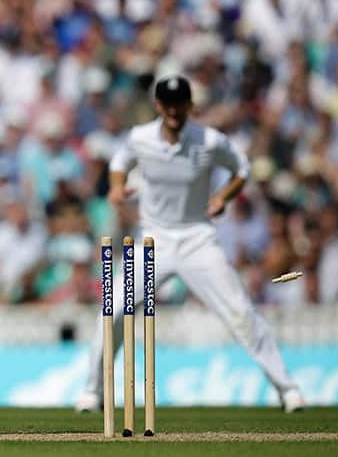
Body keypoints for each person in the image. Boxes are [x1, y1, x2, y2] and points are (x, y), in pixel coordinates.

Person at [75, 75, 306, 413]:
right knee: (115, 307)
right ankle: (92, 392)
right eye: (167, 104)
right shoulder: (140, 138)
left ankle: (288, 389)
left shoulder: (209, 140)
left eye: (179, 104)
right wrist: (116, 187)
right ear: (158, 105)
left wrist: (223, 197)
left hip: (198, 238)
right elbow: (119, 163)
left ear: (189, 106)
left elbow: (241, 168)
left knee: (239, 311)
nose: (172, 110)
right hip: (153, 239)